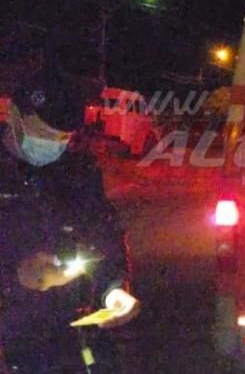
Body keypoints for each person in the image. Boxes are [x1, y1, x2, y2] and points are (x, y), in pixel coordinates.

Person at [0, 69, 140, 373]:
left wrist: (114, 289)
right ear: (13, 114)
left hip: (72, 340)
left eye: (62, 137)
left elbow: (105, 237)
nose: (53, 144)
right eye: (44, 133)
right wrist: (15, 279)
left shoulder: (78, 172)